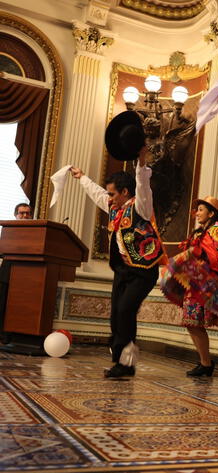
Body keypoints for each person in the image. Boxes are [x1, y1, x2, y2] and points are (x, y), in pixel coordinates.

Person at [70, 146, 166, 378]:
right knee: (117, 314)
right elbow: (96, 193)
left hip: (144, 271)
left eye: (112, 194)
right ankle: (123, 361)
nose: (109, 198)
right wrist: (82, 177)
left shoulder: (141, 207)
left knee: (125, 310)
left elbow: (142, 185)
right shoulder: (115, 209)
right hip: (122, 271)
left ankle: (125, 363)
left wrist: (141, 161)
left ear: (124, 192)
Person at [160, 196, 218, 377]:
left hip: (207, 284)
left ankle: (206, 363)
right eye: (197, 210)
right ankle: (205, 362)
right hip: (195, 282)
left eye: (201, 210)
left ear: (211, 213)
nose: (197, 213)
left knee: (194, 322)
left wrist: (198, 253)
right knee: (191, 322)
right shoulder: (199, 232)